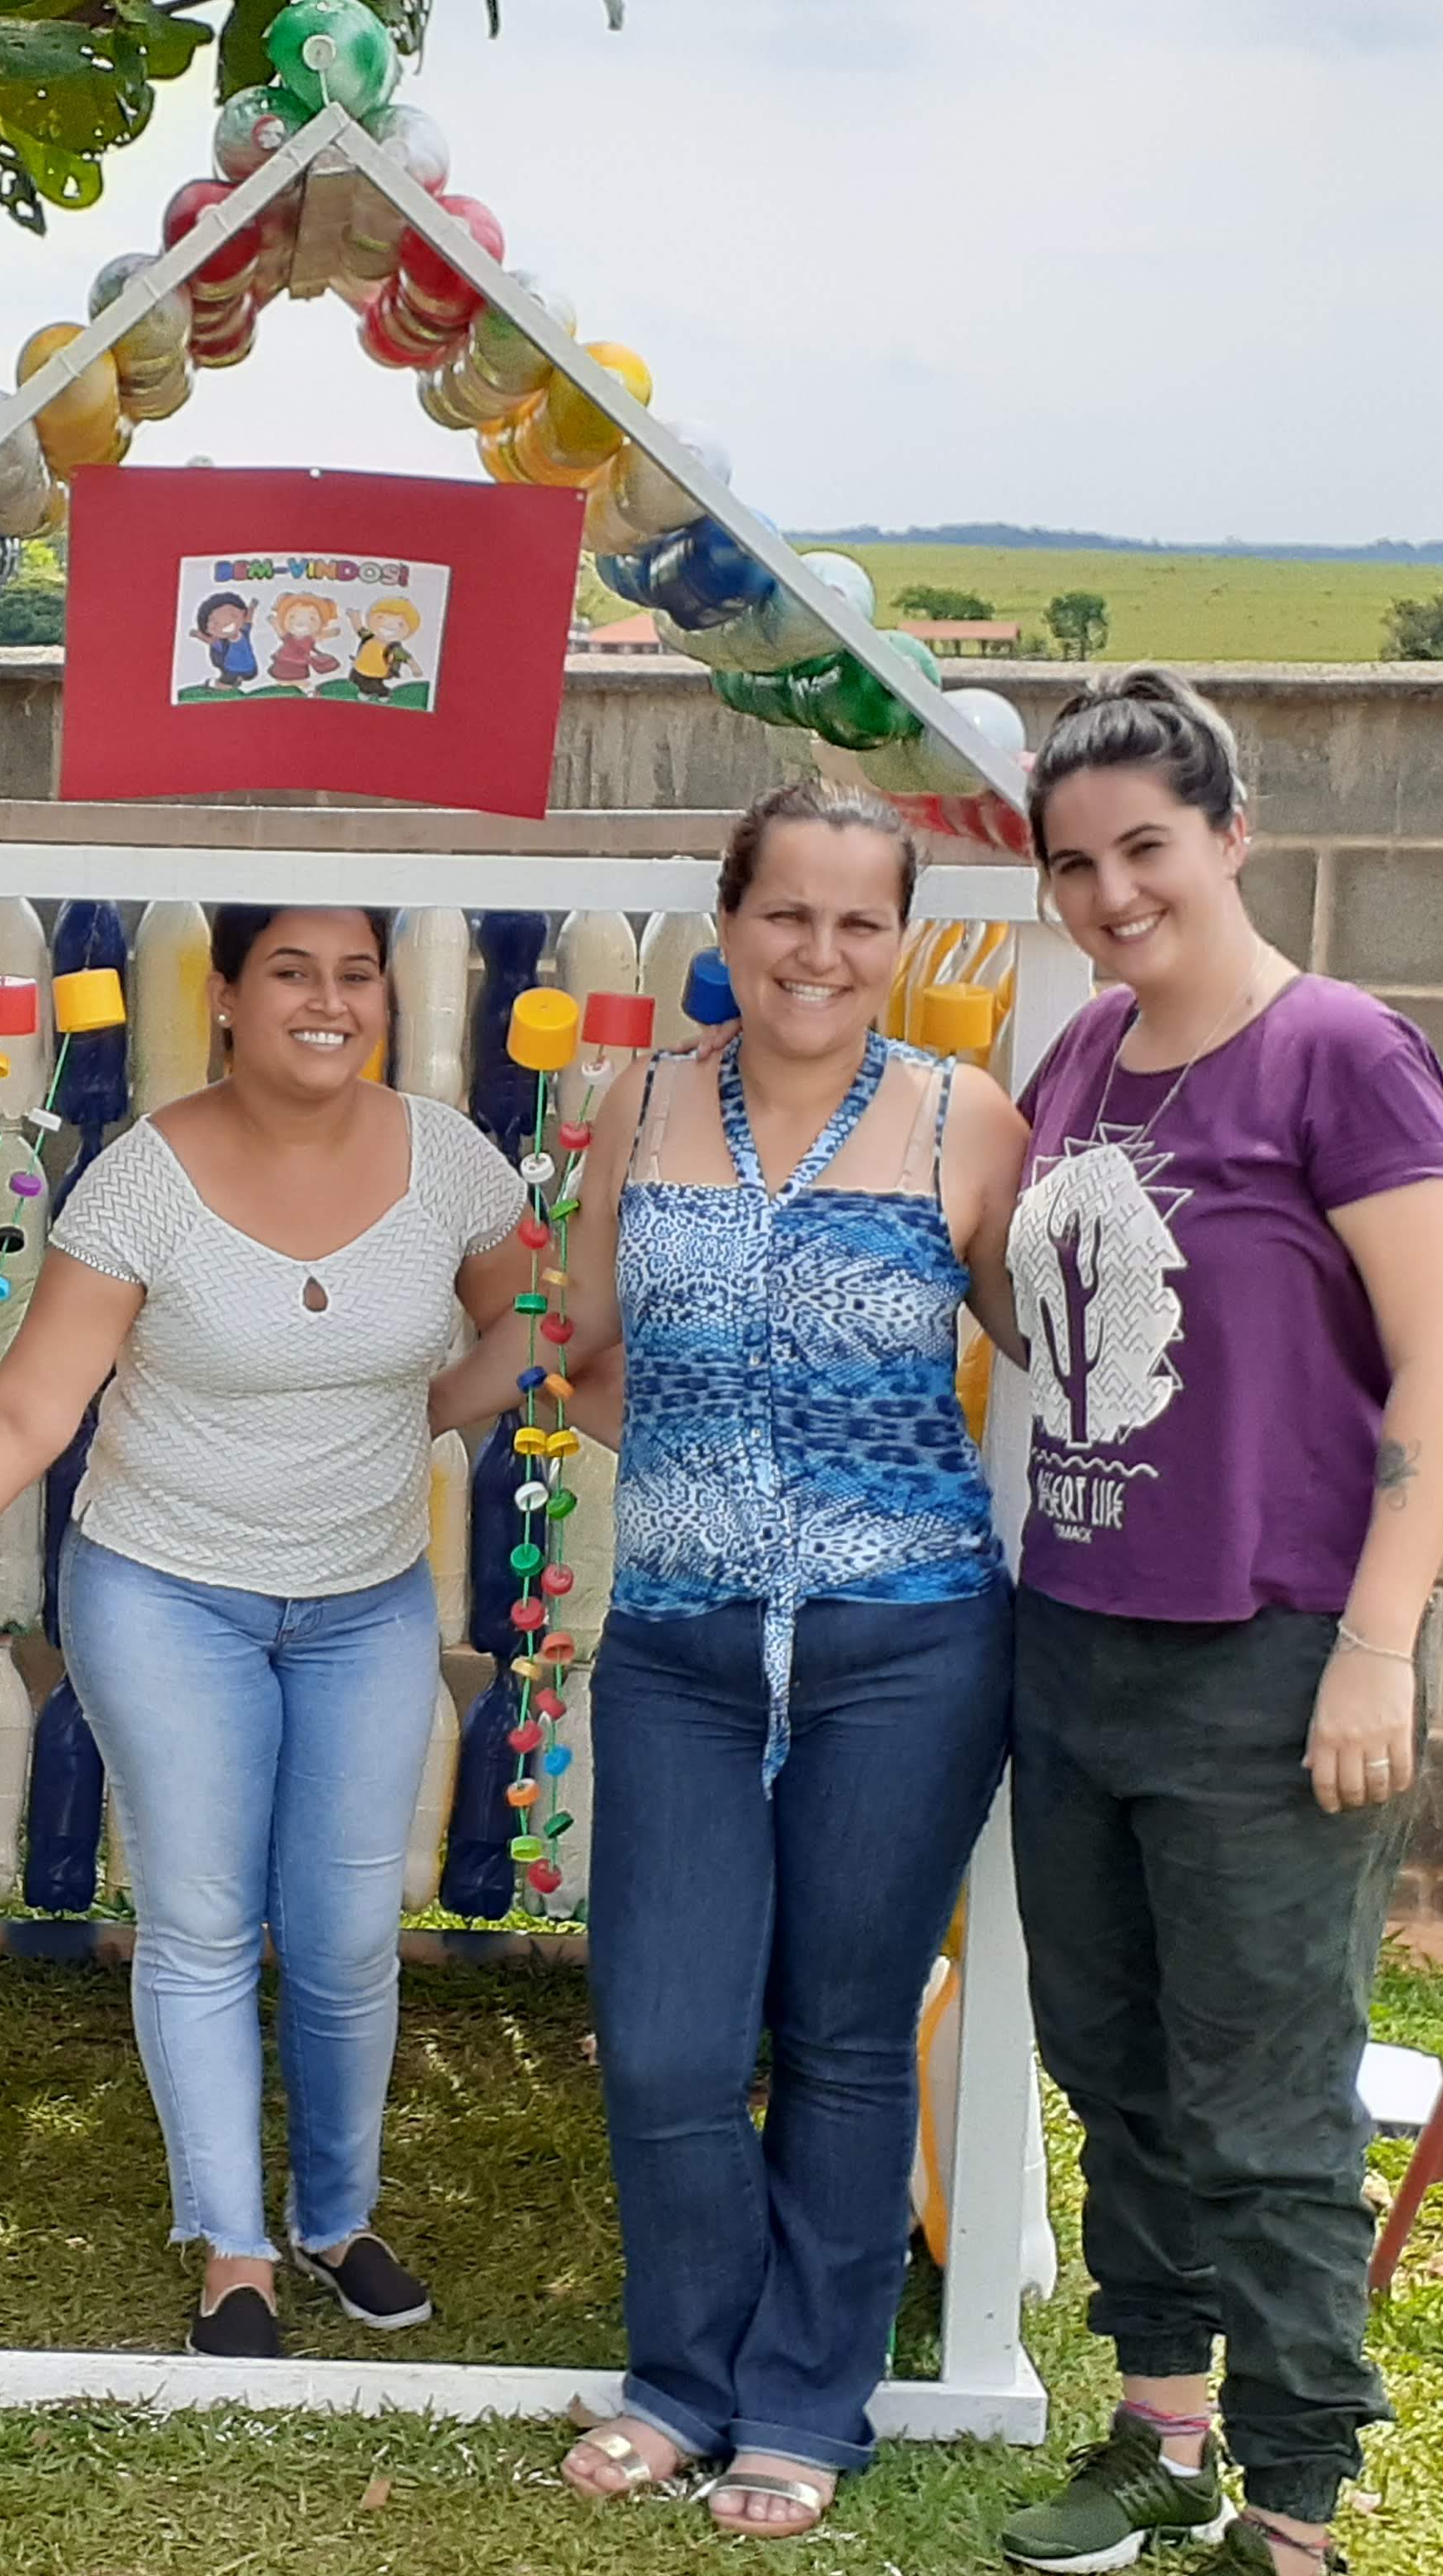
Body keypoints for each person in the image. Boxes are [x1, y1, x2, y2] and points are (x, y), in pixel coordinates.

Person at [0, 906, 528, 2357]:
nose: (328, 1003)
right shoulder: (139, 1183)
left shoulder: (451, 1160)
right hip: (164, 1590)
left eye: (356, 976)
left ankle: (338, 2221)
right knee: (206, 1921)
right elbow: (30, 1411)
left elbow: (526, 1324)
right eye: (292, 972)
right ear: (224, 997)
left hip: (366, 1598)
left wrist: (422, 1419)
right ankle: (235, 2247)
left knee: (346, 1934)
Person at [468, 780, 1026, 2539]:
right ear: (730, 923)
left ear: (902, 941)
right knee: (664, 2041)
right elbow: (576, 1340)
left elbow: (1064, 1353)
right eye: (790, 913)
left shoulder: (965, 1120)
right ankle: (682, 2377)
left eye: (862, 922)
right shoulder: (639, 1105)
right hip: (685, 1644)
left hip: (907, 1644)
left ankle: (802, 2404)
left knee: (846, 2036)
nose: (822, 952)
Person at [991, 672, 1443, 2576]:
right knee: (1116, 2065)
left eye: (1146, 847)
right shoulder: (1084, 1060)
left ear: (1231, 834)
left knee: (1266, 2101)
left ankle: (1296, 2503)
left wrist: (1379, 1641)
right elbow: (1037, 1314)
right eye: (1076, 863)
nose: (1113, 893)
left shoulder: (1341, 1053)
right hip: (1081, 1633)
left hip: (1274, 1654)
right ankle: (1161, 2435)